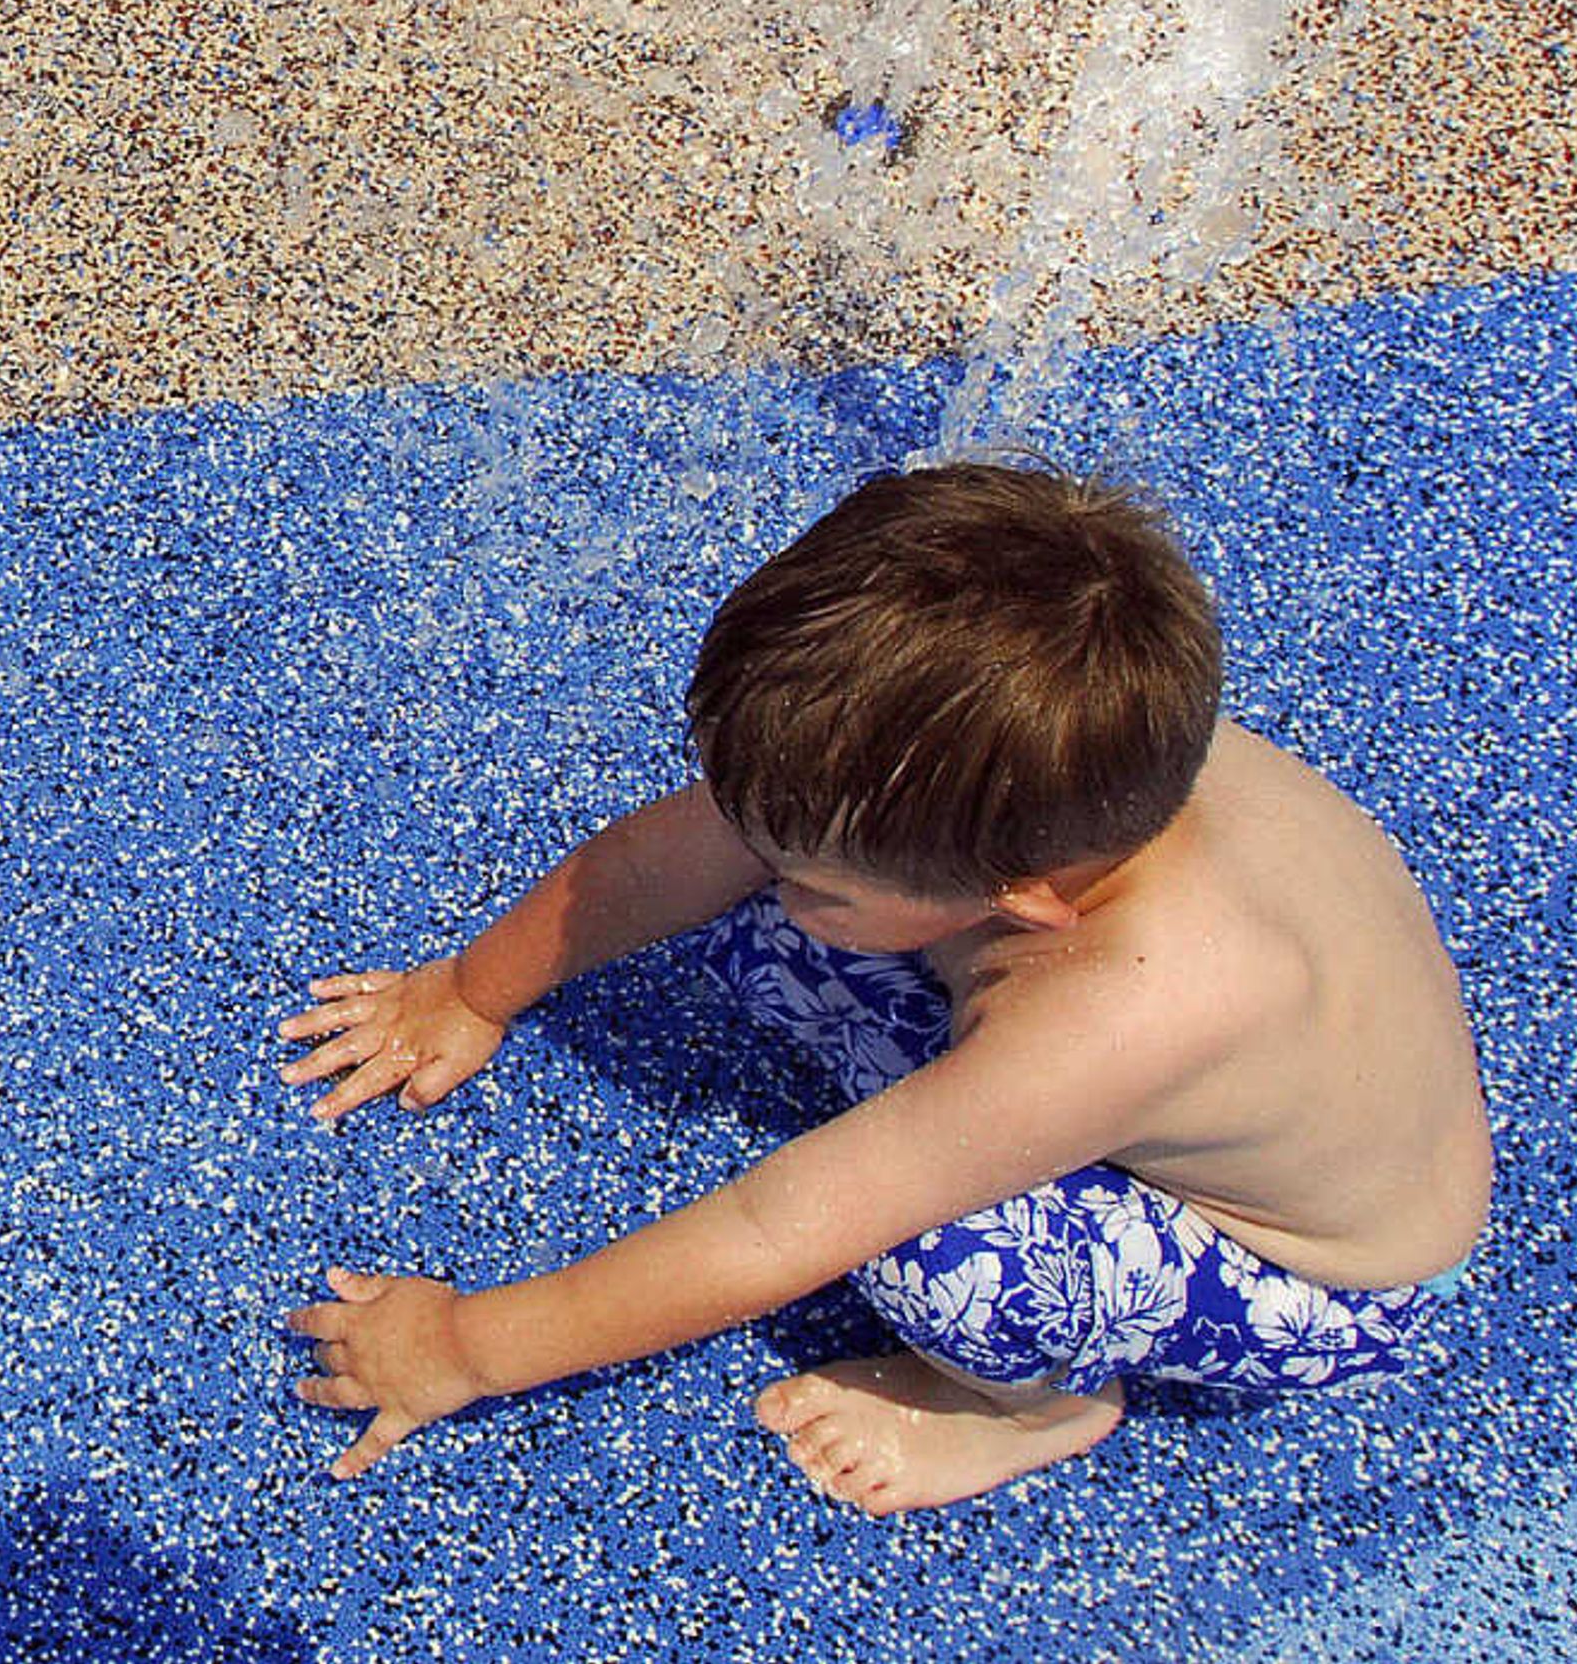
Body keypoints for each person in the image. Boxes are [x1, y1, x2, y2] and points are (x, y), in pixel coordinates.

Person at [275, 463, 1492, 1512]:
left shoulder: (1130, 1006)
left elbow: (781, 1225)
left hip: (1316, 1274)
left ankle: (1031, 1412)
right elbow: (683, 849)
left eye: (810, 869)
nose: (764, 864)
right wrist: (471, 990)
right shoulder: (1028, 753)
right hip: (1203, 1079)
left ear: (1021, 899)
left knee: (946, 1256)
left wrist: (465, 1347)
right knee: (772, 929)